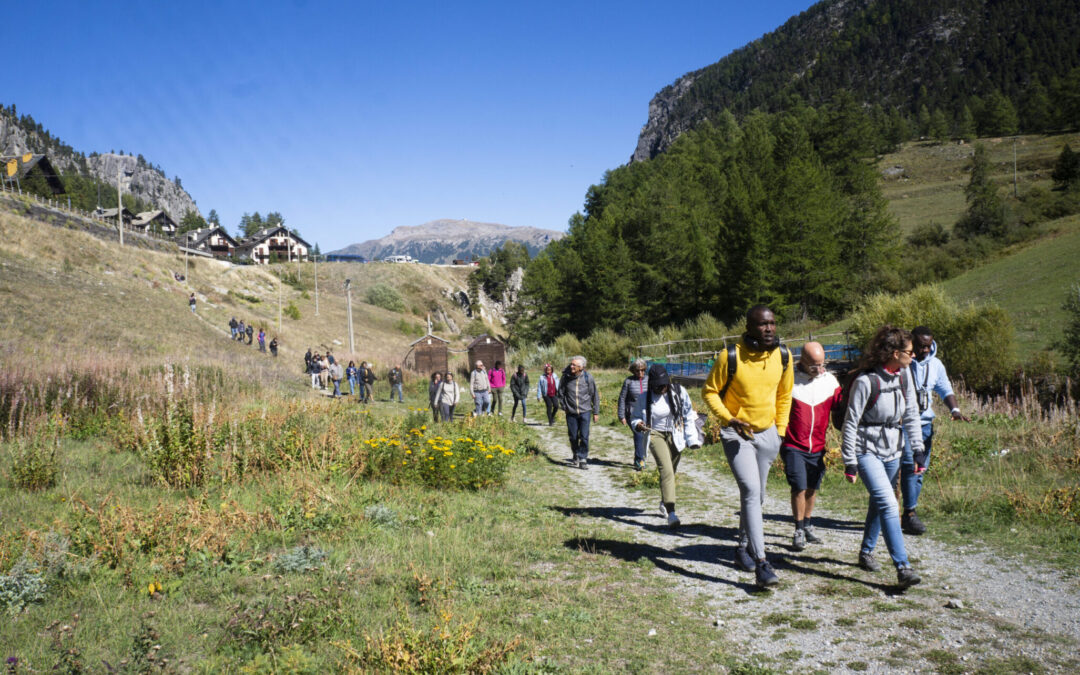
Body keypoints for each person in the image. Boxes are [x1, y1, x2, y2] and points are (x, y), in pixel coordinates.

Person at [702, 305, 793, 588]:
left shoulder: (783, 356)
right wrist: (729, 419)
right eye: (763, 324)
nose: (769, 329)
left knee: (759, 495)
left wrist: (779, 431)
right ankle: (762, 563)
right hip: (736, 435)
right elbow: (709, 392)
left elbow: (785, 394)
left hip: (768, 435)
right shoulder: (730, 356)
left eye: (773, 324)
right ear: (750, 327)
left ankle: (741, 549)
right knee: (752, 491)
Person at [841, 325, 924, 590]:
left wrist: (918, 448)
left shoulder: (904, 374)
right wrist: (849, 460)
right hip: (866, 450)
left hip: (894, 450)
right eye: (909, 353)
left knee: (880, 502)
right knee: (889, 502)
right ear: (895, 352)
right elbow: (850, 422)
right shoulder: (866, 382)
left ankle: (866, 552)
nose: (914, 357)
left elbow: (910, 412)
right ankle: (903, 567)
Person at [900, 326, 969, 536]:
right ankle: (897, 513)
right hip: (900, 425)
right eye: (921, 346)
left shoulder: (936, 365)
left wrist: (955, 409)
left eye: (929, 346)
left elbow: (945, 389)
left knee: (919, 470)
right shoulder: (901, 364)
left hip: (925, 425)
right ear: (912, 344)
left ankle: (908, 513)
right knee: (904, 467)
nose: (926, 350)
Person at [781, 341, 841, 550]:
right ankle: (798, 529)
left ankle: (807, 523)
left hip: (817, 445)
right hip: (793, 444)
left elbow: (840, 405)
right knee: (799, 486)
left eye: (822, 364)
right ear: (803, 362)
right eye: (814, 366)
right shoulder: (790, 381)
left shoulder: (830, 381)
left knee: (812, 487)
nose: (819, 369)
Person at [631, 364, 699, 528]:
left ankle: (664, 501)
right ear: (652, 384)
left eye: (665, 383)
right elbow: (635, 417)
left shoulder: (678, 391)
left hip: (676, 433)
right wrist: (638, 423)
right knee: (666, 470)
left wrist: (692, 440)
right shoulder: (644, 397)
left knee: (672, 471)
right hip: (655, 433)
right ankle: (672, 512)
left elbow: (688, 415)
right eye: (659, 385)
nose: (663, 387)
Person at [558, 356, 600, 469]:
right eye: (571, 364)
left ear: (581, 367)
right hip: (571, 412)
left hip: (585, 411)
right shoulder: (565, 377)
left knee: (584, 436)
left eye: (574, 365)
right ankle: (575, 453)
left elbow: (594, 395)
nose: (571, 366)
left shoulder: (588, 378)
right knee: (573, 436)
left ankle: (583, 458)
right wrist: (564, 406)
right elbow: (560, 393)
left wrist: (596, 412)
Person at [618, 359, 650, 471]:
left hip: (646, 412)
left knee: (644, 436)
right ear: (633, 371)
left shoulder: (649, 380)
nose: (640, 373)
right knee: (639, 434)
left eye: (643, 370)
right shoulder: (628, 381)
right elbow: (622, 399)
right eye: (638, 371)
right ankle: (640, 460)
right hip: (631, 413)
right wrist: (621, 415)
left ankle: (639, 456)